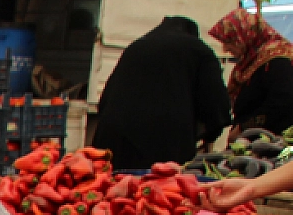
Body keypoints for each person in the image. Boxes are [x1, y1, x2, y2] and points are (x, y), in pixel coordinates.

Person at [92, 16, 231, 169]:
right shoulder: (199, 51)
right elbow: (216, 102)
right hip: (163, 145)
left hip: (114, 140)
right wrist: (211, 133)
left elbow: (106, 98)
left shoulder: (137, 46)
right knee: (156, 182)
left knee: (111, 182)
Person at [209, 8, 293, 136]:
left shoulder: (277, 60)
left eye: (229, 41)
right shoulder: (250, 62)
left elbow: (282, 103)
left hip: (271, 140)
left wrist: (243, 127)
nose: (226, 49)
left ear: (245, 35)